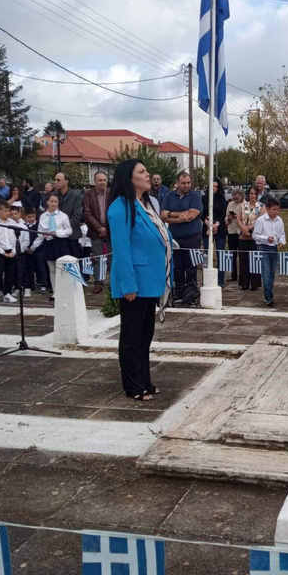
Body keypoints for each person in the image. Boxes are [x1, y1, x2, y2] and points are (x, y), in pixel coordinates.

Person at [108, 159, 171, 401]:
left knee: (145, 336)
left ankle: (145, 380)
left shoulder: (146, 204)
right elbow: (122, 250)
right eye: (142, 171)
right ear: (129, 178)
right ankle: (133, 385)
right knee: (132, 337)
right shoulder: (120, 208)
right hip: (135, 283)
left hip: (150, 281)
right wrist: (128, 285)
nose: (147, 175)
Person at [161, 171, 203, 303]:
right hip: (175, 238)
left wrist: (171, 214)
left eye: (188, 183)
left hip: (192, 237)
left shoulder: (195, 196)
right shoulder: (169, 196)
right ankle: (178, 293)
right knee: (177, 267)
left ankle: (191, 294)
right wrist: (180, 216)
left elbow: (191, 216)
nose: (186, 185)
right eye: (183, 183)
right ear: (177, 183)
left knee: (191, 267)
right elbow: (163, 216)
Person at [29, 194, 72, 298]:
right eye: (51, 201)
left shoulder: (63, 216)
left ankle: (64, 291)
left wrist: (57, 233)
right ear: (47, 202)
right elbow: (40, 234)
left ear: (58, 203)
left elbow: (69, 231)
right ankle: (55, 292)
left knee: (62, 269)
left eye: (55, 201)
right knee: (52, 269)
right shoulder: (43, 216)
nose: (53, 204)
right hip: (49, 244)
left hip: (60, 243)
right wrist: (33, 247)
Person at [253, 196, 286, 307]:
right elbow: (255, 235)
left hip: (274, 249)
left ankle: (269, 294)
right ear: (267, 209)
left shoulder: (279, 220)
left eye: (278, 209)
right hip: (264, 249)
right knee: (266, 274)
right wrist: (266, 238)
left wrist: (282, 242)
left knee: (272, 274)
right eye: (274, 209)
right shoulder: (261, 220)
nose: (276, 212)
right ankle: (268, 297)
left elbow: (282, 234)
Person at [83, 171, 111, 294]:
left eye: (104, 180)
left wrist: (107, 228)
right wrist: (99, 228)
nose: (102, 182)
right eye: (100, 180)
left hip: (110, 231)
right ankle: (98, 283)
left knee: (112, 257)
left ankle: (113, 282)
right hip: (95, 231)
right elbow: (87, 213)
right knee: (97, 257)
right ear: (94, 182)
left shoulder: (111, 194)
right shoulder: (88, 195)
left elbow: (115, 211)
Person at [202, 177, 227, 287]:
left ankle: (220, 280)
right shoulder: (204, 198)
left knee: (221, 255)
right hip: (206, 228)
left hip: (220, 230)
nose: (214, 188)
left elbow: (223, 214)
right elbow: (201, 213)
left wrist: (216, 225)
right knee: (206, 255)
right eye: (212, 186)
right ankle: (206, 279)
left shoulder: (222, 199)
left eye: (216, 186)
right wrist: (208, 223)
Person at [237, 186, 263, 291]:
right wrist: (243, 228)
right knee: (243, 260)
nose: (253, 196)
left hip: (254, 237)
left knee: (254, 260)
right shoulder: (242, 205)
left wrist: (249, 228)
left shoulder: (261, 206)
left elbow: (260, 220)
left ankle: (254, 283)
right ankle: (244, 283)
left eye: (255, 194)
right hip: (243, 236)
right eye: (251, 193)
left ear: (257, 195)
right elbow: (238, 219)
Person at [53, 172, 83, 257]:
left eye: (58, 180)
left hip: (72, 236)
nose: (55, 182)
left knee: (74, 262)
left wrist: (62, 228)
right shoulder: (54, 195)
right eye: (55, 180)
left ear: (66, 181)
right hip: (57, 237)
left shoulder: (76, 195)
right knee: (60, 263)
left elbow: (77, 216)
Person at [8, 204, 30, 297]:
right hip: (11, 252)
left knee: (23, 270)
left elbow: (26, 240)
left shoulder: (24, 226)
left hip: (21, 252)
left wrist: (20, 250)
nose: (14, 216)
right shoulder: (8, 226)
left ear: (20, 214)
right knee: (14, 272)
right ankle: (17, 288)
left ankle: (27, 288)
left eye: (16, 214)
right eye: (12, 214)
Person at [225, 188, 244, 282]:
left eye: (237, 195)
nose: (235, 197)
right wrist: (229, 218)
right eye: (234, 195)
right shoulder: (230, 204)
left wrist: (238, 218)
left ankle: (242, 276)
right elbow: (225, 218)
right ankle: (233, 275)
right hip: (231, 232)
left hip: (241, 233)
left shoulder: (244, 204)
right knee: (232, 255)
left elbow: (246, 218)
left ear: (241, 196)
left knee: (242, 256)